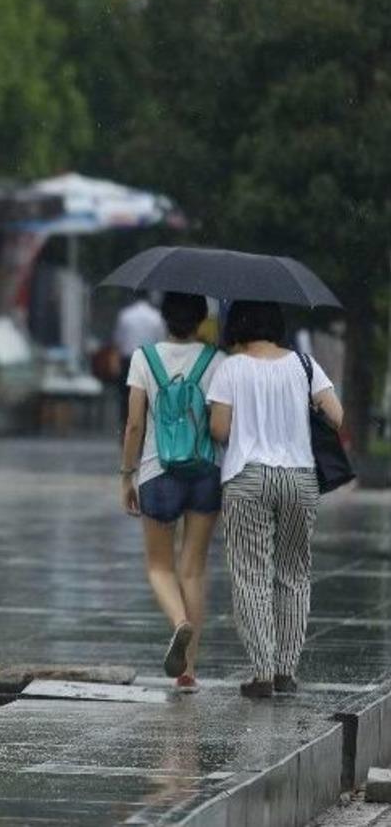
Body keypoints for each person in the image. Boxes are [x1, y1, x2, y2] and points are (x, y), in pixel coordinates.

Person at [206, 300, 344, 698]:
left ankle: (263, 672)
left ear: (237, 326)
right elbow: (335, 416)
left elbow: (219, 429)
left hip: (247, 478)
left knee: (251, 575)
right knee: (294, 574)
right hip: (300, 478)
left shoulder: (229, 367)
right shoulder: (303, 364)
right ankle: (286, 669)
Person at [120, 292, 225, 692]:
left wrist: (126, 476)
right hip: (205, 471)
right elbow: (221, 424)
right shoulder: (217, 361)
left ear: (164, 318)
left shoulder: (144, 358)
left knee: (159, 568)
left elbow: (134, 425)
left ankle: (178, 622)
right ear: (200, 320)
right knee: (193, 569)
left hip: (157, 472)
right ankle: (189, 671)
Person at [113, 295, 166, 430]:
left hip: (128, 360)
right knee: (148, 397)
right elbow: (160, 341)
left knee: (126, 397)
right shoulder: (156, 316)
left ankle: (126, 427)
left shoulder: (125, 315)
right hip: (149, 360)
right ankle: (145, 429)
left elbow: (118, 341)